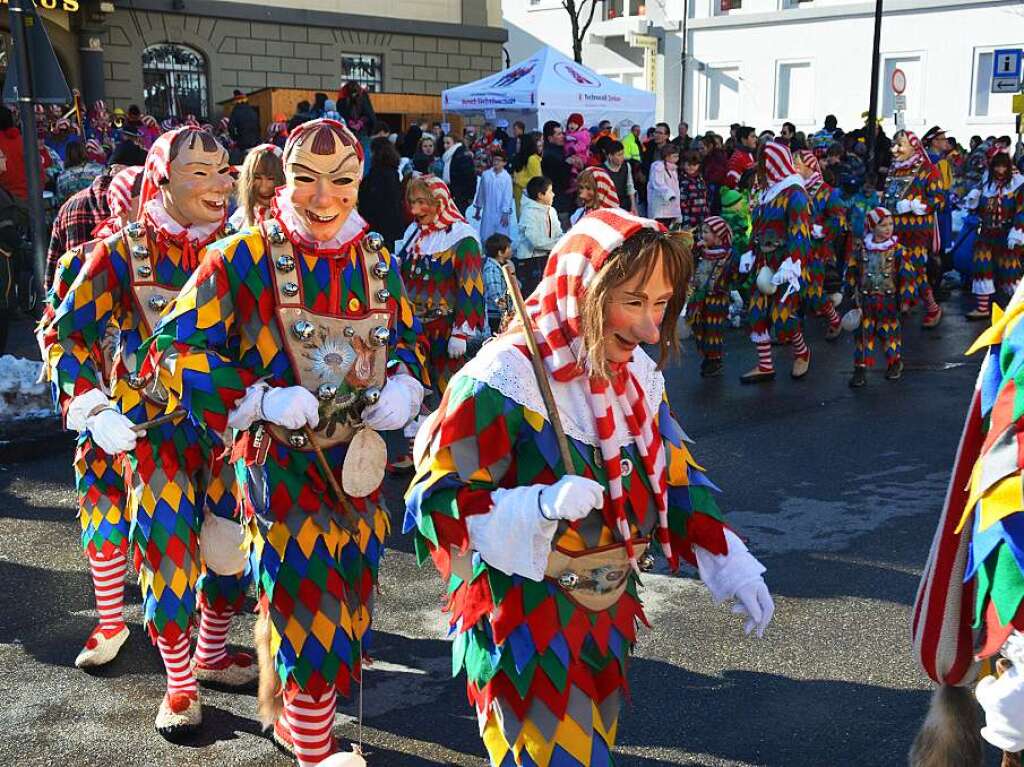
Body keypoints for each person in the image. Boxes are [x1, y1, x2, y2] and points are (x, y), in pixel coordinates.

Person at [406, 208, 774, 767]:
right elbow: (433, 500)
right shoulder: (503, 379)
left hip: (607, 616)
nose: (653, 327)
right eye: (634, 302)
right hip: (523, 624)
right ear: (585, 291)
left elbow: (673, 473)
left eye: (660, 304)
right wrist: (532, 506)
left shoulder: (634, 378)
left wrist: (725, 555)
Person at [141, 119, 425, 765]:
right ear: (283, 178)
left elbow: (402, 339)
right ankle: (315, 749)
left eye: (342, 181)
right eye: (305, 179)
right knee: (303, 594)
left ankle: (299, 718)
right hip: (281, 462)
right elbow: (171, 350)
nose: (324, 198)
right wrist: (257, 397)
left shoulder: (378, 255)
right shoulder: (240, 256)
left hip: (357, 462)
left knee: (349, 592)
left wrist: (405, 383)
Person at [45, 127, 254, 737]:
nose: (220, 184)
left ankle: (212, 654)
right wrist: (90, 404)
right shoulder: (121, 251)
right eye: (202, 172)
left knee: (228, 551)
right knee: (166, 556)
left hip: (226, 431)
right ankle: (181, 684)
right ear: (162, 179)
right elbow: (65, 331)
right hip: (152, 434)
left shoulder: (244, 249)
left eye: (224, 171)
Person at [36, 164, 143, 673]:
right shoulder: (85, 262)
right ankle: (110, 619)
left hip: (163, 426)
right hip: (102, 418)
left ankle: (193, 643)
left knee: (175, 530)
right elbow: (53, 329)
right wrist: (86, 402)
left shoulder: (188, 261)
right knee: (103, 516)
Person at [396, 175, 485, 396]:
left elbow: (471, 288)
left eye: (421, 202)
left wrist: (461, 332)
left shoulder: (462, 239)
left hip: (444, 330)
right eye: (412, 202)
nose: (415, 210)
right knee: (414, 390)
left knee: (448, 393)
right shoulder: (413, 234)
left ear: (439, 202)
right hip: (413, 330)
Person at [739, 142, 813, 384]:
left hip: (787, 264)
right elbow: (757, 228)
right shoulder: (767, 193)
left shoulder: (795, 193)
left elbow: (800, 231)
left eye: (764, 163)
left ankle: (802, 352)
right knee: (757, 311)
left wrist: (794, 263)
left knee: (782, 315)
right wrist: (750, 252)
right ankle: (765, 365)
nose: (760, 169)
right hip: (764, 261)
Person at [45, 139, 147, 289]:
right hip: (126, 300)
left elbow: (51, 277)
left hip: (76, 302)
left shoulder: (67, 207)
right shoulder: (138, 204)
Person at [846, 207, 912, 387]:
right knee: (863, 336)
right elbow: (852, 273)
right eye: (883, 225)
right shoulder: (861, 251)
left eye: (890, 224)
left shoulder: (899, 250)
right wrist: (850, 294)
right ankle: (860, 367)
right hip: (865, 302)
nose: (888, 228)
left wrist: (906, 300)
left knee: (890, 333)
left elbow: (907, 276)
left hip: (888, 302)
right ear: (872, 227)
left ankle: (894, 362)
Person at [884, 130, 944, 327]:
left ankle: (933, 308)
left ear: (913, 146)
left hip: (917, 231)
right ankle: (904, 303)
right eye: (894, 144)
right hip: (893, 229)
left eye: (900, 144)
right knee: (893, 268)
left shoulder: (928, 170)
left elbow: (939, 199)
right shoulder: (895, 169)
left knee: (916, 269)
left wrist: (916, 206)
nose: (895, 149)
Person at [964, 149, 1024, 319]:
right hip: (986, 234)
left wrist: (1018, 231)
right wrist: (973, 203)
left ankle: (1019, 309)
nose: (999, 171)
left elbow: (1022, 212)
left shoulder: (1019, 185)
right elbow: (976, 210)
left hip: (1007, 235)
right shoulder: (985, 185)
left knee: (1010, 271)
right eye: (996, 167)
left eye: (1003, 167)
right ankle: (982, 308)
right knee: (982, 267)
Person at [794, 149, 845, 339]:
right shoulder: (792, 190)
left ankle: (834, 320)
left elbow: (839, 219)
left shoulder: (826, 192)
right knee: (794, 289)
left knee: (814, 292)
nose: (794, 168)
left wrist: (821, 230)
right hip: (795, 249)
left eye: (797, 164)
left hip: (817, 251)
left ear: (809, 166)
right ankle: (793, 331)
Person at [687, 215, 735, 377]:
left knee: (713, 330)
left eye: (707, 232)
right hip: (699, 296)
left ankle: (714, 360)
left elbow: (733, 275)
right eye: (702, 231)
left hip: (717, 298)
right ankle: (707, 355)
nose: (702, 235)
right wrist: (694, 248)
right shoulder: (701, 251)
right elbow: (690, 261)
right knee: (698, 325)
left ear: (719, 236)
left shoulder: (727, 254)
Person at [516, 175, 563, 297]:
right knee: (533, 296)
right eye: (550, 191)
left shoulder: (551, 211)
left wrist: (562, 240)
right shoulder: (528, 212)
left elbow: (558, 233)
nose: (553, 194)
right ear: (540, 195)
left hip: (546, 258)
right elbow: (536, 241)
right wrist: (558, 244)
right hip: (530, 261)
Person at [358, 136, 406, 250]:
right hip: (393, 225)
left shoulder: (376, 175)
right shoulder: (393, 173)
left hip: (378, 227)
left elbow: (370, 203)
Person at [229, 143, 284, 229]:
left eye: (271, 178)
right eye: (257, 178)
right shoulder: (239, 218)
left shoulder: (294, 221)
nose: (264, 188)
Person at [473, 147, 514, 242]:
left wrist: (505, 213)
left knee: (501, 235)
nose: (496, 162)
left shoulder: (506, 178)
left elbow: (507, 196)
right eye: (495, 160)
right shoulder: (486, 175)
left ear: (504, 163)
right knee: (486, 235)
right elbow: (481, 193)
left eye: (499, 161)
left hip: (500, 211)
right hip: (488, 211)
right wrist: (478, 209)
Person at [55, 141, 104, 205]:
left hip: (73, 211)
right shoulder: (99, 169)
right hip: (98, 209)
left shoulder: (62, 177)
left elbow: (60, 200)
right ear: (84, 152)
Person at [483, 232, 513, 334]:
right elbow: (496, 296)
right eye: (508, 248)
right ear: (500, 252)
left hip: (502, 315)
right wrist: (508, 313)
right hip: (496, 317)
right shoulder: (491, 269)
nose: (511, 250)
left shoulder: (503, 266)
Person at [541, 121, 572, 220]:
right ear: (550, 138)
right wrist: (568, 164)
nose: (563, 136)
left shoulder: (560, 151)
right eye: (558, 134)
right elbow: (560, 180)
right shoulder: (550, 155)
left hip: (562, 200)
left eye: (562, 133)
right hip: (558, 202)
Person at [647, 143, 681, 228]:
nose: (677, 158)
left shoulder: (673, 169)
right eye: (674, 156)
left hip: (671, 208)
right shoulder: (658, 167)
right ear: (667, 156)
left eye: (677, 156)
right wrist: (669, 194)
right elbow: (658, 183)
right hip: (661, 207)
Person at [441, 135, 476, 214]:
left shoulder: (462, 156)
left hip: (460, 195)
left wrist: (470, 196)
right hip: (452, 192)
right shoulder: (449, 156)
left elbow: (470, 177)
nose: (445, 146)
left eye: (448, 143)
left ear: (455, 143)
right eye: (444, 143)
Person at [511, 130, 543, 217]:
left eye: (519, 143)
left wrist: (517, 180)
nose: (516, 145)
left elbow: (536, 180)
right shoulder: (519, 158)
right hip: (520, 200)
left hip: (529, 201)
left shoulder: (532, 159)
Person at [603, 138, 637, 214]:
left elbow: (630, 186)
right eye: (619, 155)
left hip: (625, 204)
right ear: (610, 156)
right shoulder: (602, 169)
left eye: (622, 154)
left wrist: (633, 206)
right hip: (609, 206)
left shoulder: (626, 166)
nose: (622, 157)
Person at [679, 149, 710, 231]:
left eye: (694, 164)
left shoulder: (700, 179)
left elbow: (705, 199)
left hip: (702, 217)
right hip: (689, 219)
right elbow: (682, 203)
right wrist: (686, 221)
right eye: (688, 164)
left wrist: (707, 216)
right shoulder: (683, 181)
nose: (691, 167)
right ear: (683, 164)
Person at [228, 90, 261, 159]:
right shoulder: (252, 111)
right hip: (254, 142)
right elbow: (258, 127)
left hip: (242, 143)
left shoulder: (236, 111)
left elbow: (231, 127)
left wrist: (235, 138)